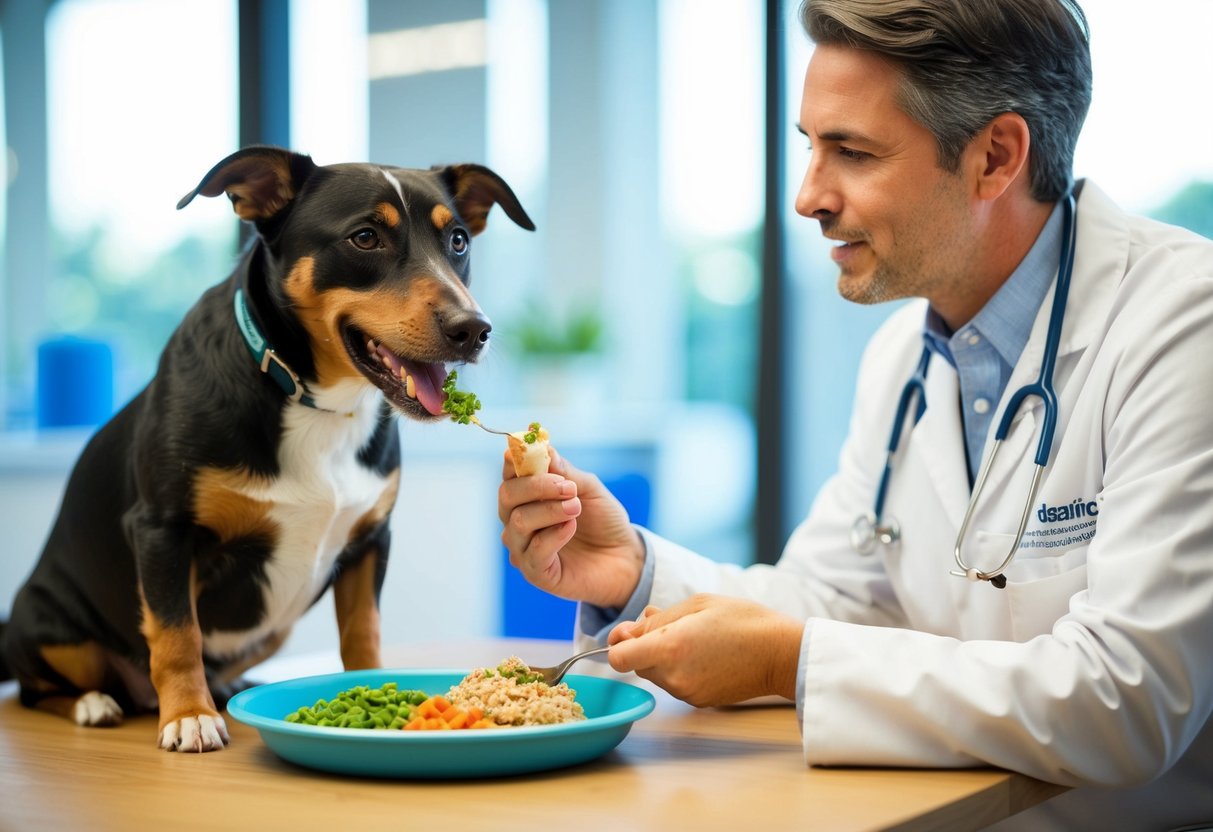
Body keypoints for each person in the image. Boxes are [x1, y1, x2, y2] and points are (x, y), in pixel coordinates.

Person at [498, 0, 1213, 828]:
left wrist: (788, 662)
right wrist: (634, 574)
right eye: (809, 145)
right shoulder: (903, 354)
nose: (807, 197)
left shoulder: (1180, 328)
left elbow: (1126, 701)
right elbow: (829, 599)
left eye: (852, 152)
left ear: (995, 156)